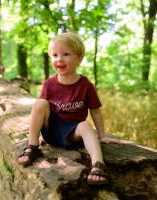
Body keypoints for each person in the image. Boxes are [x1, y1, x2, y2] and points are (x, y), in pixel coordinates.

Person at [18, 32, 120, 185]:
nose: (59, 59)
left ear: (79, 58)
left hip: (72, 132)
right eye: (55, 55)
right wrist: (39, 135)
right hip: (51, 130)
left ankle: (98, 165)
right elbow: (40, 112)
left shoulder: (86, 85)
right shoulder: (49, 84)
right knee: (40, 103)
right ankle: (32, 146)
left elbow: (95, 111)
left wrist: (102, 135)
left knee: (86, 125)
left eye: (66, 54)